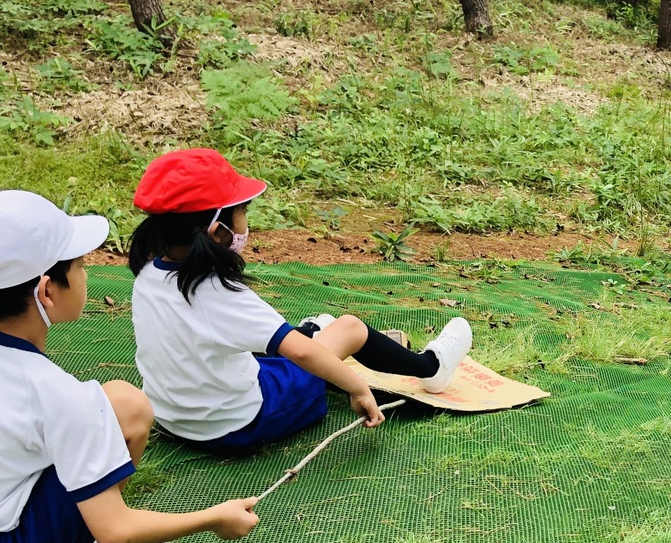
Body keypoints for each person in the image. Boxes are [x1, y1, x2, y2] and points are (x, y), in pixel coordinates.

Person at [0, 191, 260, 543]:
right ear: (46, 291)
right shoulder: (58, 395)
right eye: (78, 266)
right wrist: (215, 518)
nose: (86, 274)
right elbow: (116, 529)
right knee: (126, 406)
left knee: (117, 404)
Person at [127, 148, 472, 451]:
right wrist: (356, 387)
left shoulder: (147, 274)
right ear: (219, 232)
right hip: (241, 423)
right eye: (243, 213)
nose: (246, 224)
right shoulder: (222, 295)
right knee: (349, 329)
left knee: (291, 341)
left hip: (173, 418)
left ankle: (313, 329)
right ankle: (431, 368)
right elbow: (303, 353)